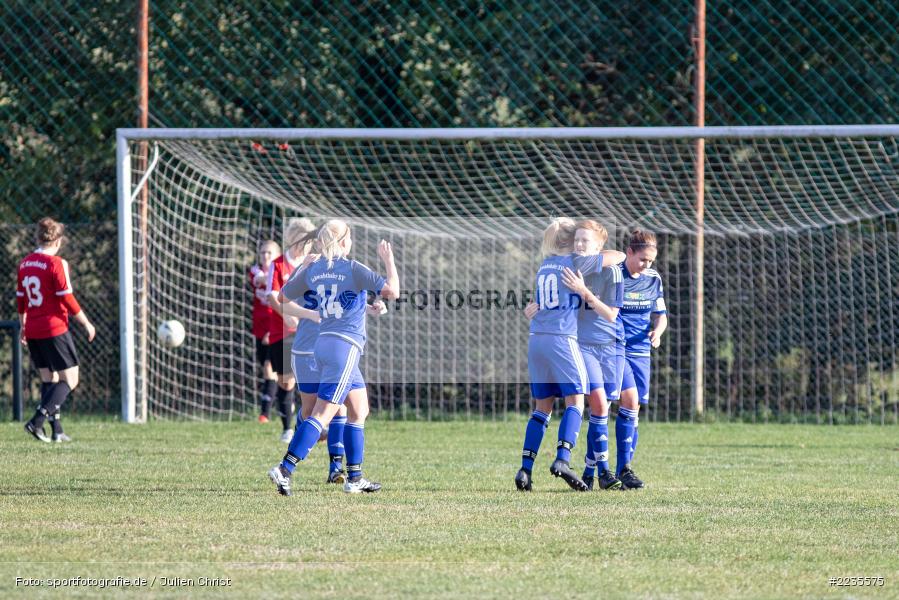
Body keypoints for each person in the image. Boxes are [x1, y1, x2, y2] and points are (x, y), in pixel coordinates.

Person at [269, 220, 399, 496]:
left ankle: (355, 478)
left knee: (359, 409)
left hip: (323, 343)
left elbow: (282, 296)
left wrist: (302, 269)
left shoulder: (316, 269)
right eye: (349, 237)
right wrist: (388, 260)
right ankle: (284, 469)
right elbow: (393, 291)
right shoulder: (352, 267)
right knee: (322, 413)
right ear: (343, 242)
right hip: (344, 347)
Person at [515, 218, 624, 492]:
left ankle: (525, 470)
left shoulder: (544, 265)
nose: (580, 244)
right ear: (570, 242)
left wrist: (530, 309)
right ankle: (563, 459)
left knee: (542, 408)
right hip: (562, 340)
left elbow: (538, 303)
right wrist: (594, 250)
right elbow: (619, 256)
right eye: (577, 239)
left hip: (536, 339)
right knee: (576, 401)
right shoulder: (575, 262)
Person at [17, 217, 96, 442]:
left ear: (37, 238)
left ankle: (57, 431)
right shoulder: (56, 264)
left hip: (33, 328)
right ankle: (37, 421)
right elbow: (67, 298)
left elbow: (21, 300)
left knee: (49, 379)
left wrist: (23, 326)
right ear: (59, 241)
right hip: (53, 328)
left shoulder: (24, 264)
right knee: (70, 380)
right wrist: (86, 323)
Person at [560, 220, 625, 491]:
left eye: (585, 240)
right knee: (597, 402)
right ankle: (606, 472)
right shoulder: (569, 268)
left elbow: (610, 315)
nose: (578, 244)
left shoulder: (612, 273)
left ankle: (589, 470)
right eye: (576, 239)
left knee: (603, 410)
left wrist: (584, 292)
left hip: (611, 347)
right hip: (583, 346)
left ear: (598, 247)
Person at [615, 229, 668, 489]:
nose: (646, 265)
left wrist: (657, 332)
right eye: (642, 259)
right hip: (615, 350)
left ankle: (623, 469)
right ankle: (597, 468)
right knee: (610, 405)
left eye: (651, 261)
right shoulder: (615, 275)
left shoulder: (653, 278)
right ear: (629, 252)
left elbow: (661, 315)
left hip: (641, 352)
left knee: (634, 410)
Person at [265, 218, 316, 442]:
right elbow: (272, 296)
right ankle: (287, 427)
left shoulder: (313, 264)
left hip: (309, 331)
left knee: (309, 377)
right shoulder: (278, 265)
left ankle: (314, 424)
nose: (306, 244)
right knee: (286, 381)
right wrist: (287, 314)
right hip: (282, 331)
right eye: (302, 239)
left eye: (309, 240)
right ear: (292, 239)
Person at [249, 239, 280, 423]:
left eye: (270, 253)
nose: (266, 256)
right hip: (259, 329)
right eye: (263, 252)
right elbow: (260, 279)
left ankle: (264, 414)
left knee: (270, 368)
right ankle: (287, 401)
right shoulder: (255, 271)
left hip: (276, 327)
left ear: (277, 256)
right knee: (269, 370)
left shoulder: (281, 274)